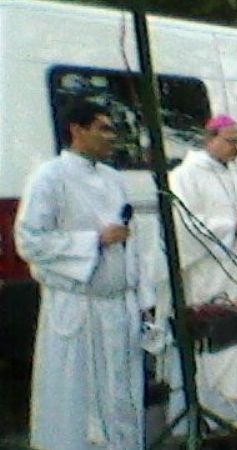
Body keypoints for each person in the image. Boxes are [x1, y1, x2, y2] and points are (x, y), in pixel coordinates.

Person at [15, 100, 154, 450]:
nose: (111, 136)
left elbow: (128, 241)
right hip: (79, 309)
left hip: (117, 306)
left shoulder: (112, 177)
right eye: (103, 128)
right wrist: (94, 240)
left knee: (121, 391)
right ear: (77, 130)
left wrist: (142, 297)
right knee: (79, 399)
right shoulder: (49, 177)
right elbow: (30, 242)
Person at [167, 114, 237, 433]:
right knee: (219, 353)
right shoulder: (185, 176)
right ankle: (213, 419)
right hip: (210, 278)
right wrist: (233, 227)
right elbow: (183, 226)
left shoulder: (235, 176)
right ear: (209, 139)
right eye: (232, 140)